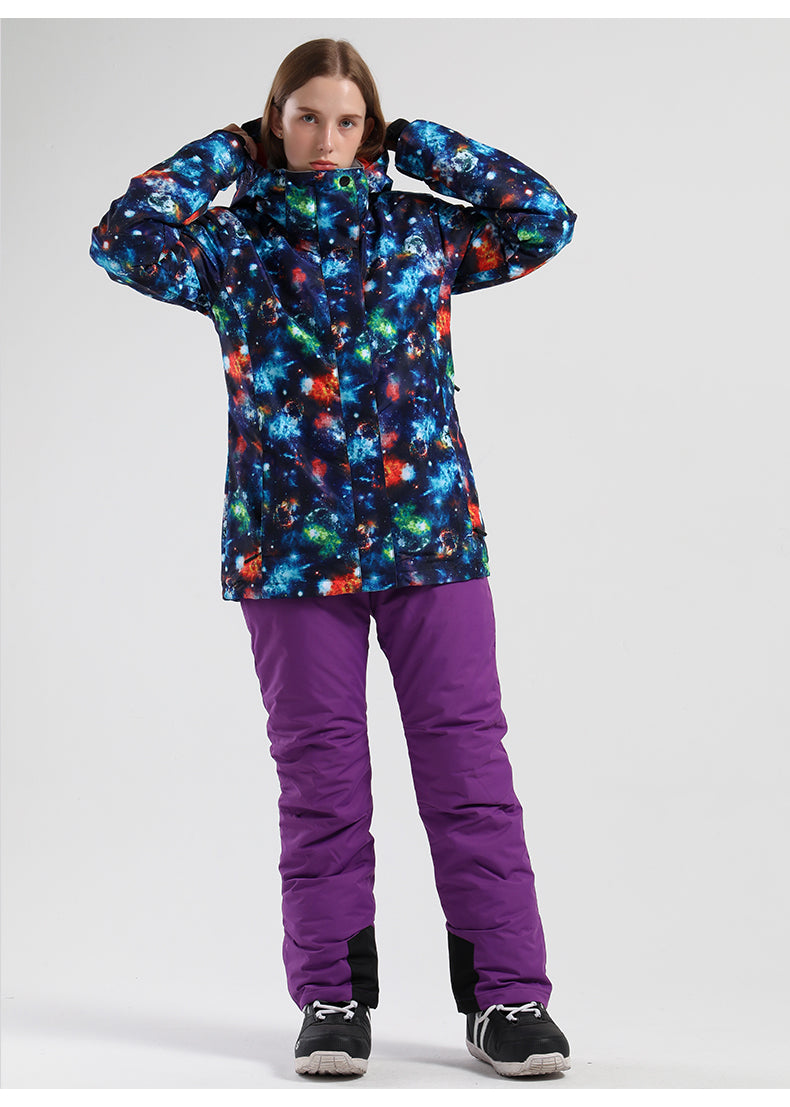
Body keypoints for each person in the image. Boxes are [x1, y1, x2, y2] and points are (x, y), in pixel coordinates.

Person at [90, 37, 577, 1080]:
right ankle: (331, 999)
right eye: (305, 117)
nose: (326, 139)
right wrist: (226, 153)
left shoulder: (421, 230)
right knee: (321, 783)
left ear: (371, 129)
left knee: (469, 772)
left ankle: (510, 1002)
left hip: (431, 538)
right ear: (275, 122)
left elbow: (543, 219)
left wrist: (424, 146)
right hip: (287, 552)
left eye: (349, 120)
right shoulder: (233, 246)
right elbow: (122, 238)